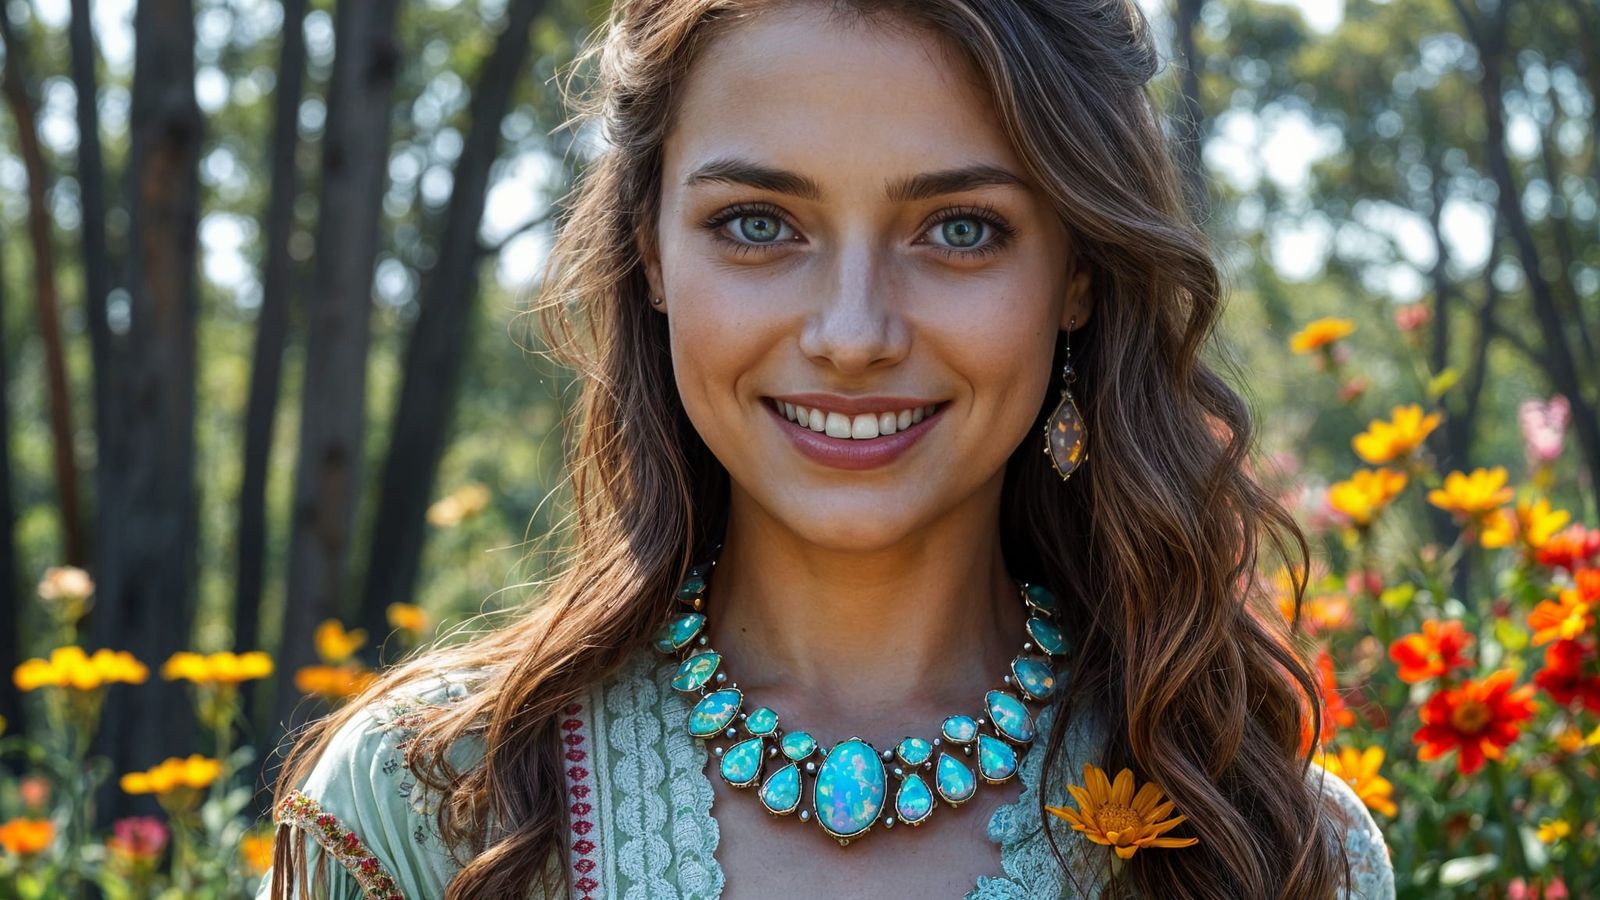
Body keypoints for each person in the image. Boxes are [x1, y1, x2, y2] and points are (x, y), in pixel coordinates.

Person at [259, 1, 1396, 898]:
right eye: (758, 223)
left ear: (1079, 274)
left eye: (960, 230)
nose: (853, 335)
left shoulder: (1281, 856)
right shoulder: (421, 809)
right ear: (650, 254)